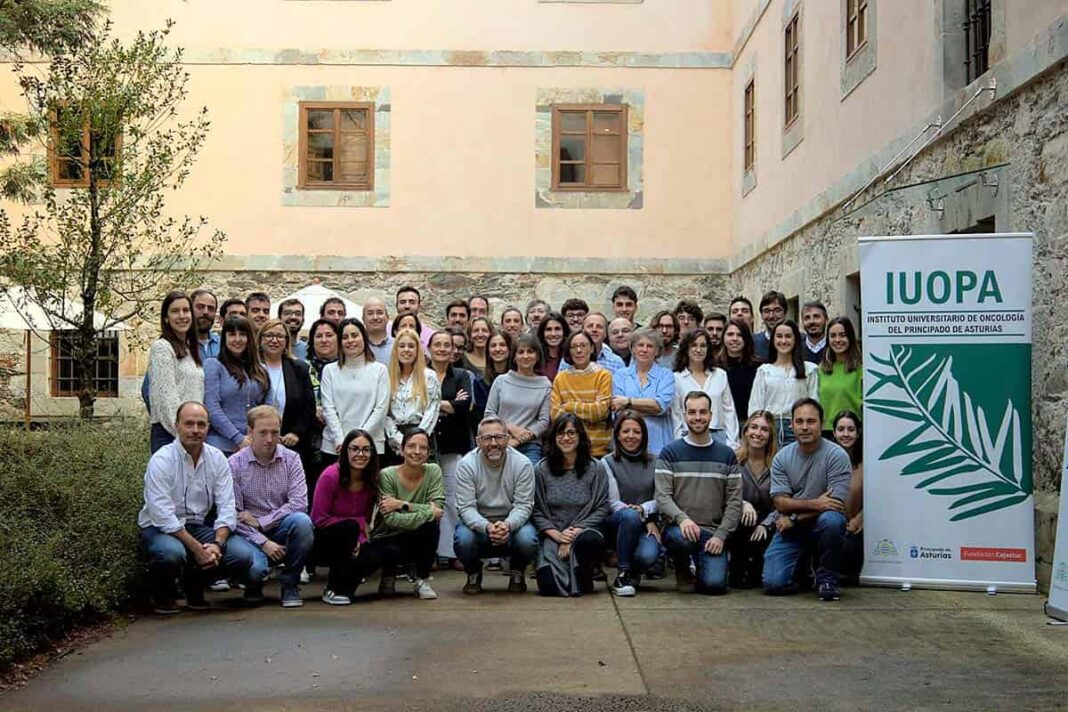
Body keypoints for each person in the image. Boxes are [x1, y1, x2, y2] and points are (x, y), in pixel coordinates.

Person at [137, 402, 240, 614]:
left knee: (242, 555)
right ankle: (161, 595)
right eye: (189, 424)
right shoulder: (162, 460)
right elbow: (163, 516)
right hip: (160, 529)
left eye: (201, 424)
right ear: (177, 426)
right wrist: (197, 549)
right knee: (171, 553)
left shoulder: (217, 458)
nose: (195, 430)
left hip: (197, 525)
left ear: (208, 428)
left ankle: (195, 589)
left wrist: (217, 545)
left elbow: (228, 506)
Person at [762, 398, 851, 601]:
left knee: (833, 521)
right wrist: (816, 503)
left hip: (816, 524)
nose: (804, 427)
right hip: (793, 529)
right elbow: (780, 503)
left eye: (811, 421)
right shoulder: (782, 458)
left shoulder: (837, 455)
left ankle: (828, 578)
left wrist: (793, 517)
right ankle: (803, 569)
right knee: (773, 584)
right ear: (791, 424)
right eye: (799, 421)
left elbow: (835, 504)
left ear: (822, 423)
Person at [226, 406, 314, 608]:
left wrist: (262, 522)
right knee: (255, 569)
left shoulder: (292, 459)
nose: (269, 439)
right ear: (250, 432)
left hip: (280, 526)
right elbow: (234, 515)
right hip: (247, 534)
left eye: (275, 432)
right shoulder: (234, 464)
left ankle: (290, 583)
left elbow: (300, 503)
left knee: (303, 523)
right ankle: (253, 584)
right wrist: (263, 541)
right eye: (263, 432)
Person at [656, 391, 743, 595]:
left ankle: (704, 567)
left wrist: (721, 536)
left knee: (714, 585)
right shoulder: (670, 452)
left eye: (703, 412)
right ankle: (683, 567)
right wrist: (682, 519)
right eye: (692, 412)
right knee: (680, 538)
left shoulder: (726, 455)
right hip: (680, 529)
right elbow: (662, 497)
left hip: (712, 533)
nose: (697, 417)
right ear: (684, 415)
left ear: (711, 415)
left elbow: (734, 502)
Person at [453, 416, 539, 594]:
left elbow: (524, 505)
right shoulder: (466, 465)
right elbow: (465, 508)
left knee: (528, 539)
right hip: (479, 526)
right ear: (478, 441)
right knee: (463, 539)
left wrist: (507, 525)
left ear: (508, 438)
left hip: (512, 525)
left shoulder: (522, 464)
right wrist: (487, 527)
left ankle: (517, 570)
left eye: (499, 437)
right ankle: (473, 572)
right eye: (487, 438)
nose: (493, 443)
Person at [360, 429, 445, 600]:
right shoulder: (387, 475)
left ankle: (422, 579)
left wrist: (402, 505)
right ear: (402, 449)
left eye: (423, 448)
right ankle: (388, 574)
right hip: (387, 538)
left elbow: (438, 511)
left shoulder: (433, 471)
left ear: (428, 452)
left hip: (417, 537)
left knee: (430, 528)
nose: (417, 452)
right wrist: (427, 510)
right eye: (411, 446)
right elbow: (391, 520)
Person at [532, 415, 611, 597]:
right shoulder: (541, 470)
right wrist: (559, 537)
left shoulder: (596, 468)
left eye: (571, 433)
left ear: (580, 436)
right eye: (560, 433)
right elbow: (536, 510)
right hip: (553, 534)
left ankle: (585, 572)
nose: (566, 438)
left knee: (590, 540)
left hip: (583, 532)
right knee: (548, 587)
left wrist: (573, 534)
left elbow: (602, 507)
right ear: (553, 437)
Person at [257, 318, 318, 519]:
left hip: (292, 443)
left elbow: (309, 406)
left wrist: (296, 432)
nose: (274, 340)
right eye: (269, 335)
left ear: (286, 341)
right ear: (260, 339)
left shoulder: (298, 368)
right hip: (258, 443)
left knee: (291, 499)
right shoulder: (252, 368)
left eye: (280, 336)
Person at [312, 429, 379, 605]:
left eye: (366, 450)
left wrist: (358, 537)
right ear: (345, 451)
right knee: (349, 528)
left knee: (376, 553)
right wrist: (355, 532)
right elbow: (318, 518)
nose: (360, 454)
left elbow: (366, 519)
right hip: (325, 539)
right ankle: (333, 588)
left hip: (354, 537)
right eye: (354, 449)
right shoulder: (330, 476)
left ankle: (345, 589)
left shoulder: (371, 480)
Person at [600, 412, 662, 597]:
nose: (631, 436)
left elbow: (661, 498)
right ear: (617, 434)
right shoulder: (607, 461)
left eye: (637, 431)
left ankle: (635, 570)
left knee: (648, 555)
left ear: (644, 435)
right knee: (629, 515)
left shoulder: (656, 461)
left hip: (645, 522)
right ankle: (623, 573)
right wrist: (638, 514)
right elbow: (612, 502)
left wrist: (643, 511)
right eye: (625, 431)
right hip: (617, 523)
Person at [428, 330, 474, 566]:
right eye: (438, 344)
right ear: (429, 348)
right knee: (429, 500)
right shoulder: (421, 374)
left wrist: (435, 404)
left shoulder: (462, 376)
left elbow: (464, 407)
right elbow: (418, 403)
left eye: (448, 345)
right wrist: (449, 404)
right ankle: (431, 552)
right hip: (425, 447)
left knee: (453, 498)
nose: (444, 349)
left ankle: (452, 551)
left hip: (453, 445)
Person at [320, 318, 391, 458]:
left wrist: (359, 440)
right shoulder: (329, 371)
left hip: (370, 446)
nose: (350, 340)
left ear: (364, 338)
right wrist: (341, 439)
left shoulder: (380, 370)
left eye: (355, 335)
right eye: (345, 337)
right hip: (335, 446)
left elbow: (381, 409)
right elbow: (328, 408)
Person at [203, 315, 270, 456]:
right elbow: (211, 406)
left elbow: (266, 407)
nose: (238, 339)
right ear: (224, 337)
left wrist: (258, 437)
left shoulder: (261, 369)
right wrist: (238, 438)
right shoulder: (213, 365)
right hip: (221, 447)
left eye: (243, 334)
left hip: (254, 445)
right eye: (232, 334)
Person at [148, 291, 204, 453]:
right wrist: (183, 434)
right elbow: (166, 399)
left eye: (186, 310)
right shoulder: (162, 348)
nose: (182, 316)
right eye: (175, 311)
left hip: (191, 433)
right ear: (166, 318)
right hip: (171, 433)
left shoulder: (190, 350)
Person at [728, 411, 779, 589]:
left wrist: (766, 524)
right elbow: (721, 495)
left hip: (768, 527)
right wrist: (742, 503)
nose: (758, 433)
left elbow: (784, 501)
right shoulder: (733, 461)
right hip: (738, 526)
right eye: (754, 427)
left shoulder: (778, 464)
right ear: (745, 431)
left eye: (764, 429)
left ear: (770, 435)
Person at [749, 320, 819, 445]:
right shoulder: (764, 371)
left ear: (795, 340)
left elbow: (814, 403)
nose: (783, 341)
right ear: (773, 340)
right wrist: (758, 429)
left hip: (798, 428)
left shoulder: (809, 369)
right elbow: (756, 405)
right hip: (770, 428)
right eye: (779, 336)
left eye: (788, 336)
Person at [486, 333, 552, 465]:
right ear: (514, 357)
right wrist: (511, 428)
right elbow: (489, 413)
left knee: (529, 480)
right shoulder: (501, 381)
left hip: (530, 446)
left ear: (537, 356)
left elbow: (544, 421)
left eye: (530, 352)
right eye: (521, 352)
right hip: (499, 442)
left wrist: (519, 440)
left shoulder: (545, 384)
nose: (526, 356)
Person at [670, 329, 739, 449]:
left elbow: (729, 411)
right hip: (688, 437)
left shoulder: (720, 375)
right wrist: (679, 444)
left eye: (703, 345)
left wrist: (733, 443)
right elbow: (676, 414)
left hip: (718, 437)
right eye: (694, 345)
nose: (698, 350)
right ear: (686, 348)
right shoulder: (677, 378)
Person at [611, 329, 675, 455]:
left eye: (650, 346)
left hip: (658, 441)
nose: (644, 350)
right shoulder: (620, 375)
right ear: (633, 349)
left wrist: (628, 401)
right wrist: (647, 405)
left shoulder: (666, 375)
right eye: (640, 345)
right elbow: (618, 408)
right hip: (627, 440)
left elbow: (660, 406)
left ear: (656, 351)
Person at [551, 331, 613, 457]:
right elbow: (555, 415)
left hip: (598, 451)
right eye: (574, 347)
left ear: (591, 348)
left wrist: (569, 406)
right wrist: (587, 409)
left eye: (583, 345)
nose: (579, 350)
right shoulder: (560, 378)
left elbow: (599, 411)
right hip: (567, 451)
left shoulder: (603, 375)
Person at [385, 329, 442, 464]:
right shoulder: (387, 377)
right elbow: (384, 413)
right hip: (395, 441)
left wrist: (416, 439)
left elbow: (432, 410)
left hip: (422, 435)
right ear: (396, 350)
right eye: (402, 346)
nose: (406, 350)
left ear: (418, 350)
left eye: (411, 346)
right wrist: (398, 439)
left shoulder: (429, 376)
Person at [818, 316, 863, 437]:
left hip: (853, 433)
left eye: (842, 335)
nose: (837, 340)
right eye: (832, 336)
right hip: (826, 432)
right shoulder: (820, 370)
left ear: (850, 337)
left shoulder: (862, 370)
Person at [833, 411, 864, 584]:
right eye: (841, 429)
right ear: (834, 432)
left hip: (860, 526)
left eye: (850, 429)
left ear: (858, 432)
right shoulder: (825, 459)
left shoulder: (867, 462)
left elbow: (878, 497)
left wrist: (861, 518)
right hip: (834, 522)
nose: (845, 434)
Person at [469, 330, 512, 431]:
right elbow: (482, 414)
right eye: (493, 345)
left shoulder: (519, 378)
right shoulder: (480, 381)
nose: (497, 349)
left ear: (510, 349)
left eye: (502, 345)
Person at [723, 318, 761, 419]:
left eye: (739, 335)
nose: (734, 338)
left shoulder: (759, 367)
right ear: (723, 337)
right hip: (724, 424)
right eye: (730, 334)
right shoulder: (715, 367)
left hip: (751, 423)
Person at [753, 290, 787, 362]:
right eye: (766, 311)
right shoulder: (753, 342)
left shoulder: (800, 341)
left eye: (777, 310)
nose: (771, 316)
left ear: (785, 313)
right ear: (761, 315)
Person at [536, 312, 570, 381]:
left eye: (557, 329)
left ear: (564, 331)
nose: (553, 334)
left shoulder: (572, 357)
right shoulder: (536, 358)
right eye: (548, 329)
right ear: (542, 333)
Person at [362, 297, 393, 364]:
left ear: (387, 317)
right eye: (370, 313)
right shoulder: (358, 346)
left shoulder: (397, 345)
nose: (375, 317)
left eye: (379, 313)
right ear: (363, 319)